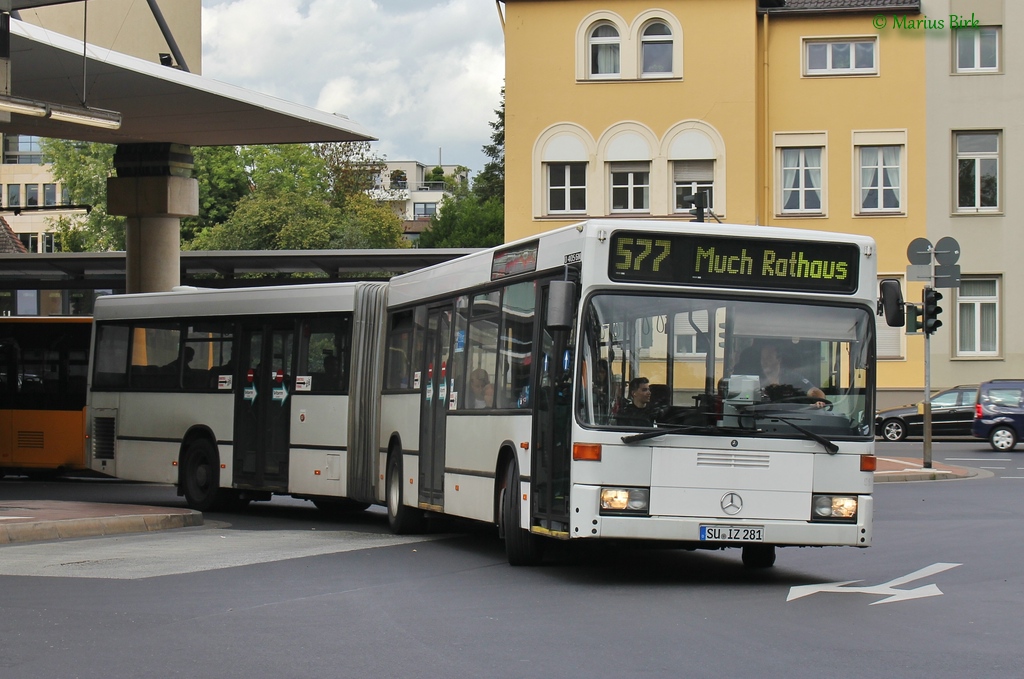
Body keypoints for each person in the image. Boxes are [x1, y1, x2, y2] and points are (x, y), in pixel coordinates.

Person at [758, 343, 827, 407]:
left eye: (768, 358)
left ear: (779, 359)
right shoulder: (756, 379)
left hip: (791, 417)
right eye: (762, 358)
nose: (764, 361)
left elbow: (813, 391)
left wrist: (819, 401)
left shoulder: (791, 377)